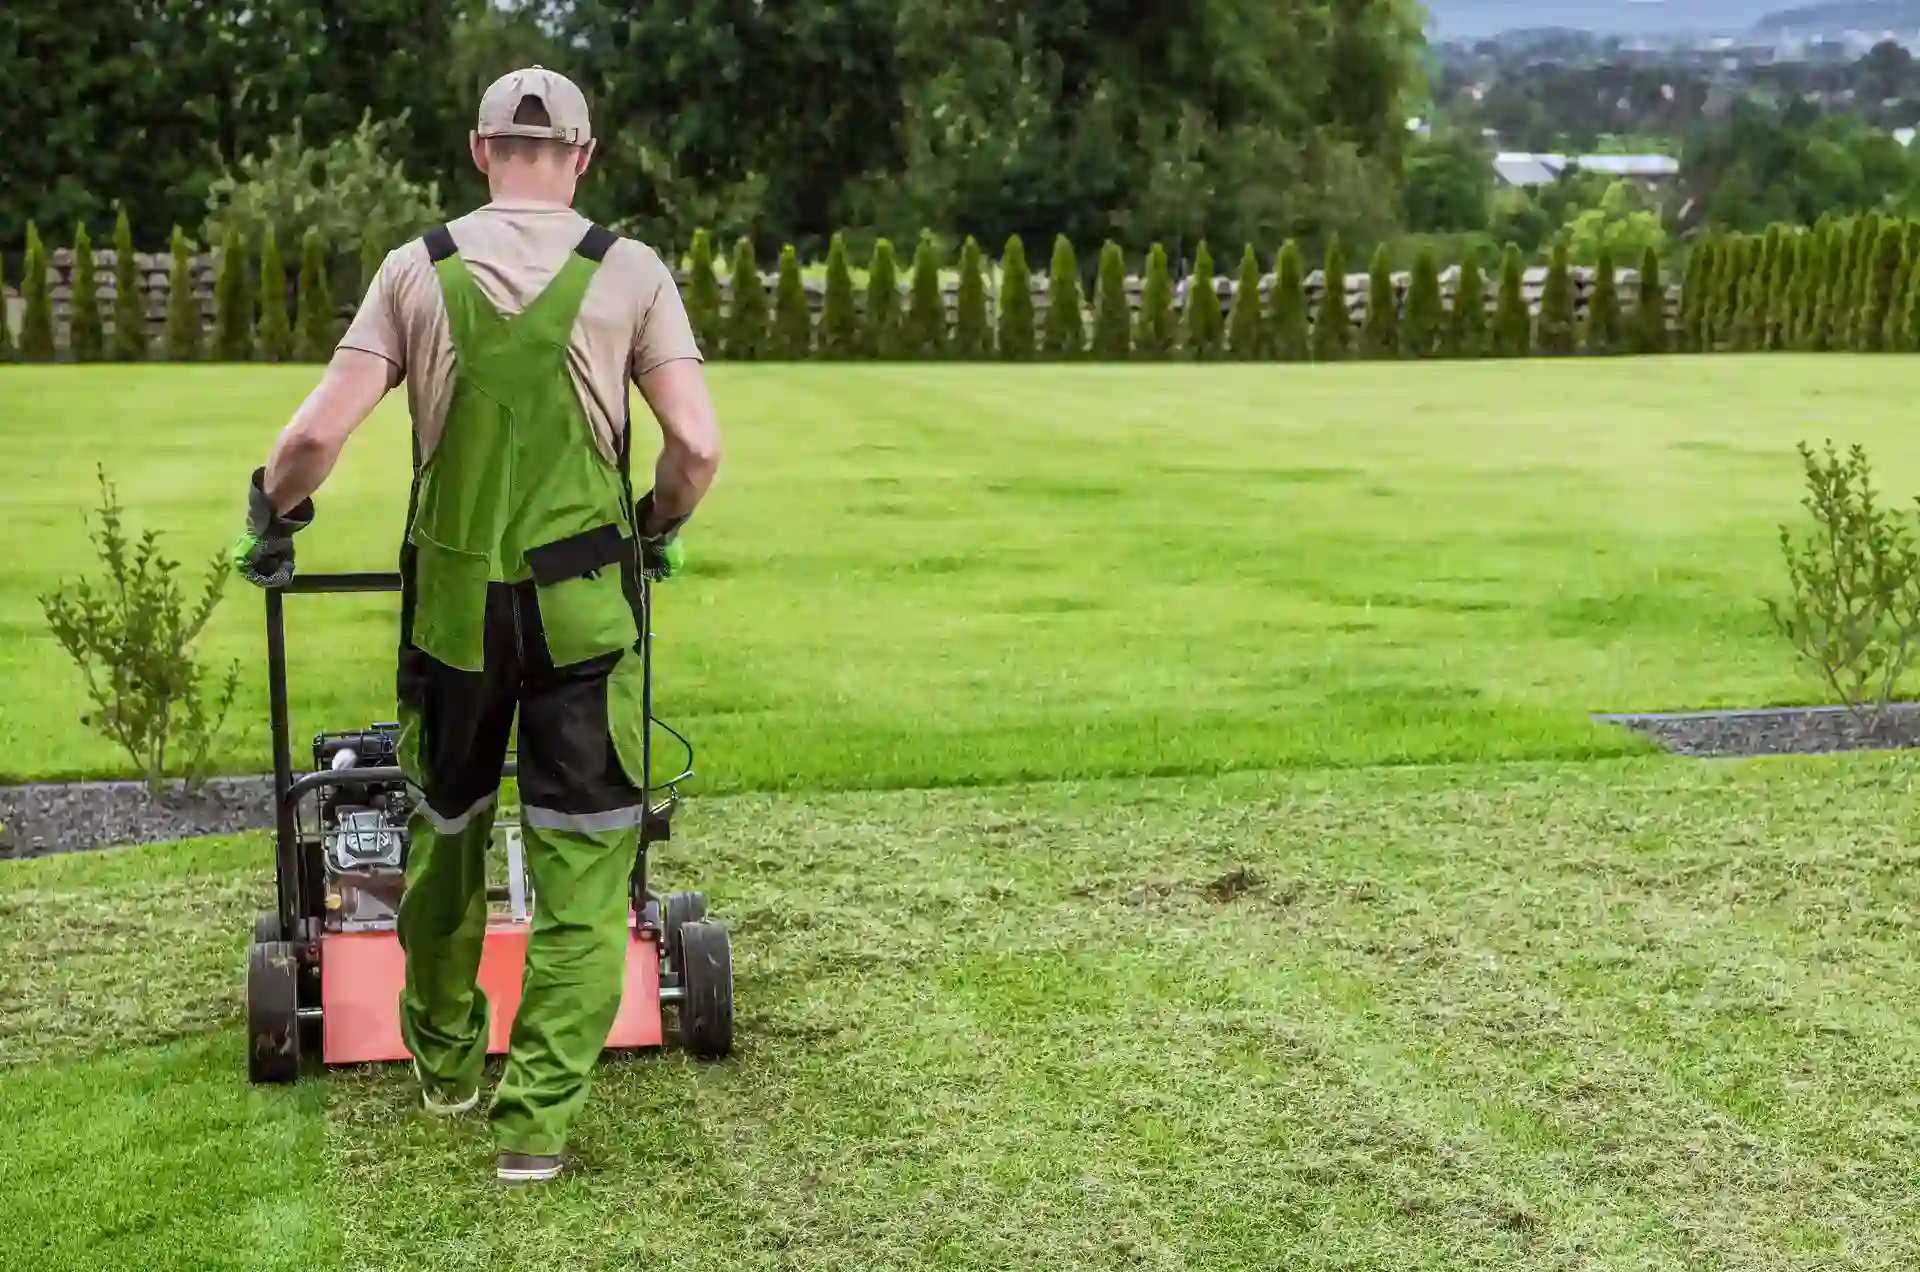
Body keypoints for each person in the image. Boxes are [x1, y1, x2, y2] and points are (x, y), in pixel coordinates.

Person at [231, 66, 722, 1186]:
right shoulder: (632, 272)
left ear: (479, 149)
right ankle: (536, 1127)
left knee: (446, 829)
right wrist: (654, 525)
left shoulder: (418, 268)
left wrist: (274, 511)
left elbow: (314, 436)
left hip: (454, 618)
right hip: (586, 614)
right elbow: (696, 450)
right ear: (585, 157)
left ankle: (445, 1057)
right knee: (590, 862)